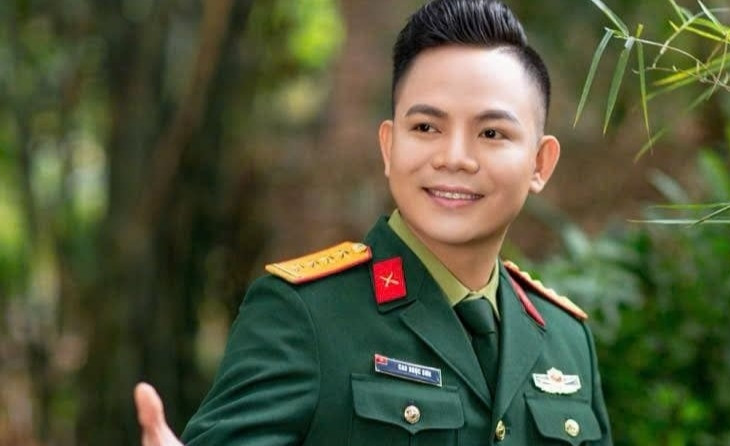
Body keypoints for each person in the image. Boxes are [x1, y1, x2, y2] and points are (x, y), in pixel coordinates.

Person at [134, 0, 612, 444]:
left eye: (491, 132)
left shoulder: (566, 340)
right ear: (389, 146)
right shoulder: (306, 315)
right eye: (426, 127)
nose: (454, 157)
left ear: (540, 164)